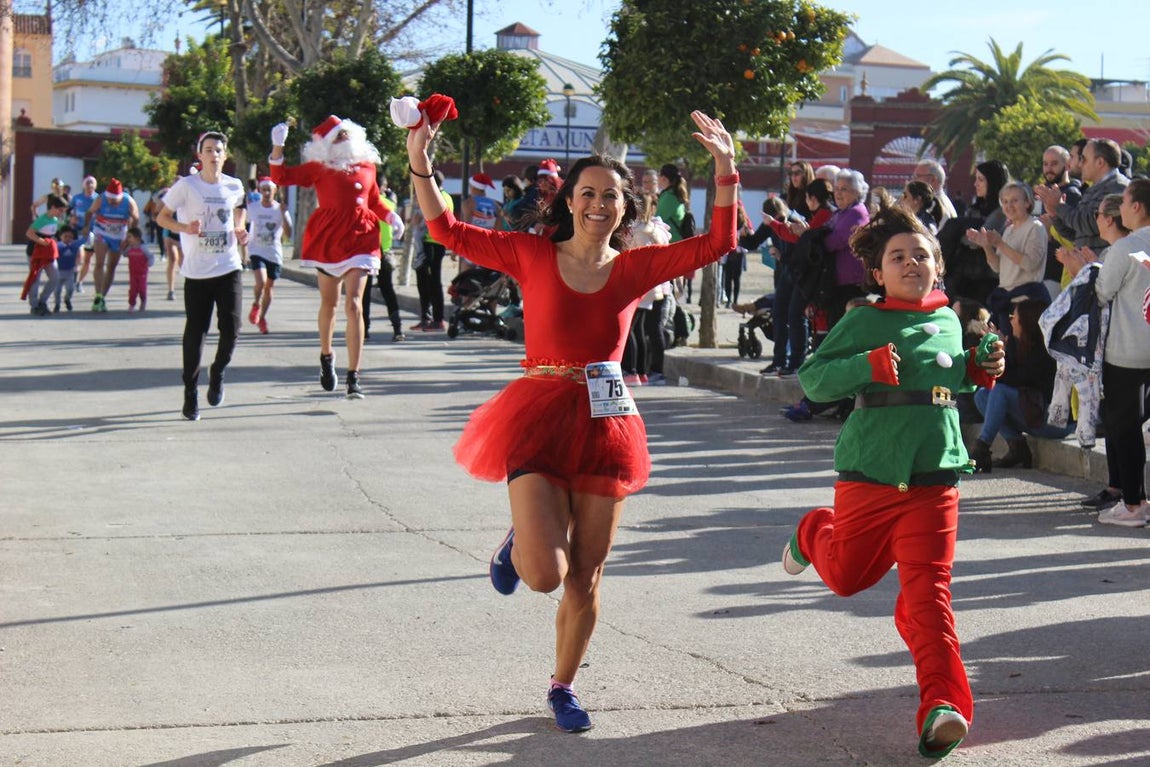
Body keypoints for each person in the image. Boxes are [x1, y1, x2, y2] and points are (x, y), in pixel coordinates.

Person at [405, 103, 738, 733]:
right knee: (543, 576)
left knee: (586, 571)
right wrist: (420, 159)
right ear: (569, 201)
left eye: (613, 196)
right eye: (588, 193)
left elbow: (720, 243)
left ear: (626, 207)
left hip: (606, 421)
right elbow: (447, 231)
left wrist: (725, 168)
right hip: (537, 412)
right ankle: (521, 540)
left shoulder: (636, 267)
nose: (600, 204)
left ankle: (563, 686)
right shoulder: (531, 254)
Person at [781, 204, 1005, 759]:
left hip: (935, 477)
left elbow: (955, 383)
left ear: (939, 267)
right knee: (848, 579)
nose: (912, 263)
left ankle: (942, 707)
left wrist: (980, 367)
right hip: (871, 474)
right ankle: (814, 531)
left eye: (922, 255)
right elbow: (813, 380)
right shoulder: (863, 320)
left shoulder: (953, 318)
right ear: (877, 273)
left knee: (929, 594)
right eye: (898, 257)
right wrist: (868, 366)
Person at [269, 115, 393, 398]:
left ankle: (354, 376)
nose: (344, 138)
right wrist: (277, 148)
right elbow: (282, 177)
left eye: (346, 133)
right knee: (330, 304)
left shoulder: (368, 166)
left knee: (354, 305)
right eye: (337, 136)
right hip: (329, 239)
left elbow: (374, 201)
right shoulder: (319, 168)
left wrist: (391, 216)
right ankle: (327, 356)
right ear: (325, 145)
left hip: (362, 237)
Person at [155, 131, 249, 422]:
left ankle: (218, 371)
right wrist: (185, 229)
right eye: (208, 149)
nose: (214, 154)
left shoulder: (234, 185)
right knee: (196, 332)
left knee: (232, 328)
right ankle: (190, 392)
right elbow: (161, 217)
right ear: (200, 155)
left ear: (224, 155)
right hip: (196, 271)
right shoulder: (186, 186)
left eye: (218, 150)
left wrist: (240, 227)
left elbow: (240, 208)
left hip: (228, 266)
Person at [1089, 179, 1150, 526]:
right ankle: (1136, 498)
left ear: (1137, 206)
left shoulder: (1126, 247)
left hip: (1127, 352)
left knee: (1124, 430)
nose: (1120, 209)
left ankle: (1132, 504)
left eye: (1125, 202)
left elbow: (1102, 291)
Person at [969, 298, 1070, 470]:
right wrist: (1001, 350)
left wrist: (1001, 353)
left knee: (999, 391)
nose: (1010, 320)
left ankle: (982, 447)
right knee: (982, 396)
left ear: (1027, 322)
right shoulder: (1022, 344)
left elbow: (1012, 380)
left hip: (1055, 422)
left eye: (1013, 317)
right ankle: (1017, 447)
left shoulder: (1045, 351)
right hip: (1034, 412)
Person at [967, 181, 1050, 333]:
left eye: (1014, 201)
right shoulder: (1009, 230)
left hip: (1026, 301)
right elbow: (997, 267)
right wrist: (986, 245)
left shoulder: (1035, 227)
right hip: (1006, 299)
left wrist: (1000, 244)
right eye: (1005, 201)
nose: (1009, 205)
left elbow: (1030, 263)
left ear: (1027, 203)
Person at [83, 177, 140, 312]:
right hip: (101, 233)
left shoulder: (129, 201)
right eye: (109, 200)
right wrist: (86, 226)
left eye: (114, 201)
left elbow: (136, 218)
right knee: (99, 262)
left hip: (119, 235)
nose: (111, 203)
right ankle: (98, 295)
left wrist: (129, 238)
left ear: (120, 198)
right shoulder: (101, 199)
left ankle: (102, 296)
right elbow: (89, 212)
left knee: (111, 267)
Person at [245, 177, 293, 334]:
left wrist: (284, 214)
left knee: (269, 287)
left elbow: (288, 233)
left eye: (269, 190)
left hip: (274, 252)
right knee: (261, 281)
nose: (266, 193)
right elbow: (244, 225)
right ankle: (256, 304)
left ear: (275, 191)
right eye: (263, 189)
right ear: (259, 191)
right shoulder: (253, 207)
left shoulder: (280, 209)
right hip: (256, 250)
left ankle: (262, 317)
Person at [410, 170, 454, 331]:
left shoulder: (438, 197)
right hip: (433, 243)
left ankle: (437, 318)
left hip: (432, 243)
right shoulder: (446, 196)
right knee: (425, 281)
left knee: (433, 281)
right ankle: (427, 317)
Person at [22, 194, 66, 316]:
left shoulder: (56, 220)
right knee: (35, 278)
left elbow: (55, 233)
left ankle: (43, 301)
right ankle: (34, 306)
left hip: (48, 253)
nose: (61, 213)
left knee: (55, 276)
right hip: (35, 252)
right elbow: (29, 233)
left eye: (63, 211)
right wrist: (43, 242)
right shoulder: (42, 219)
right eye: (60, 210)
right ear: (53, 207)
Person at [656, 163, 693, 300]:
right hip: (676, 245)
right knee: (675, 285)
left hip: (671, 245)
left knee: (672, 286)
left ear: (664, 178)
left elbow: (658, 220)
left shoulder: (669, 197)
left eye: (659, 176)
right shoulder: (673, 194)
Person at [68, 176, 99, 294]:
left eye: (92, 183)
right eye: (88, 183)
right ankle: (73, 277)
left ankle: (79, 282)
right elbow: (69, 211)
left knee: (87, 259)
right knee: (79, 256)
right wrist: (71, 219)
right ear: (84, 185)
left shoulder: (98, 198)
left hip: (93, 232)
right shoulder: (77, 198)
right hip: (78, 230)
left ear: (95, 185)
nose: (89, 186)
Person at [122, 226, 155, 312]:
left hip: (142, 274)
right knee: (132, 290)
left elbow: (150, 256)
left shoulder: (143, 248)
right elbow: (125, 254)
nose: (128, 239)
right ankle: (132, 304)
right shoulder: (130, 248)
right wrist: (123, 247)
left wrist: (149, 263)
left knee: (142, 289)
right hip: (132, 274)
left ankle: (143, 301)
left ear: (137, 238)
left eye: (130, 237)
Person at [53, 226, 81, 312]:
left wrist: (76, 265)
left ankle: (67, 299)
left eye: (70, 237)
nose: (68, 239)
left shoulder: (75, 246)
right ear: (61, 237)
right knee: (57, 290)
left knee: (70, 288)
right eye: (65, 236)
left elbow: (78, 256)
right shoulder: (58, 246)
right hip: (58, 271)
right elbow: (53, 257)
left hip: (70, 271)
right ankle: (57, 304)